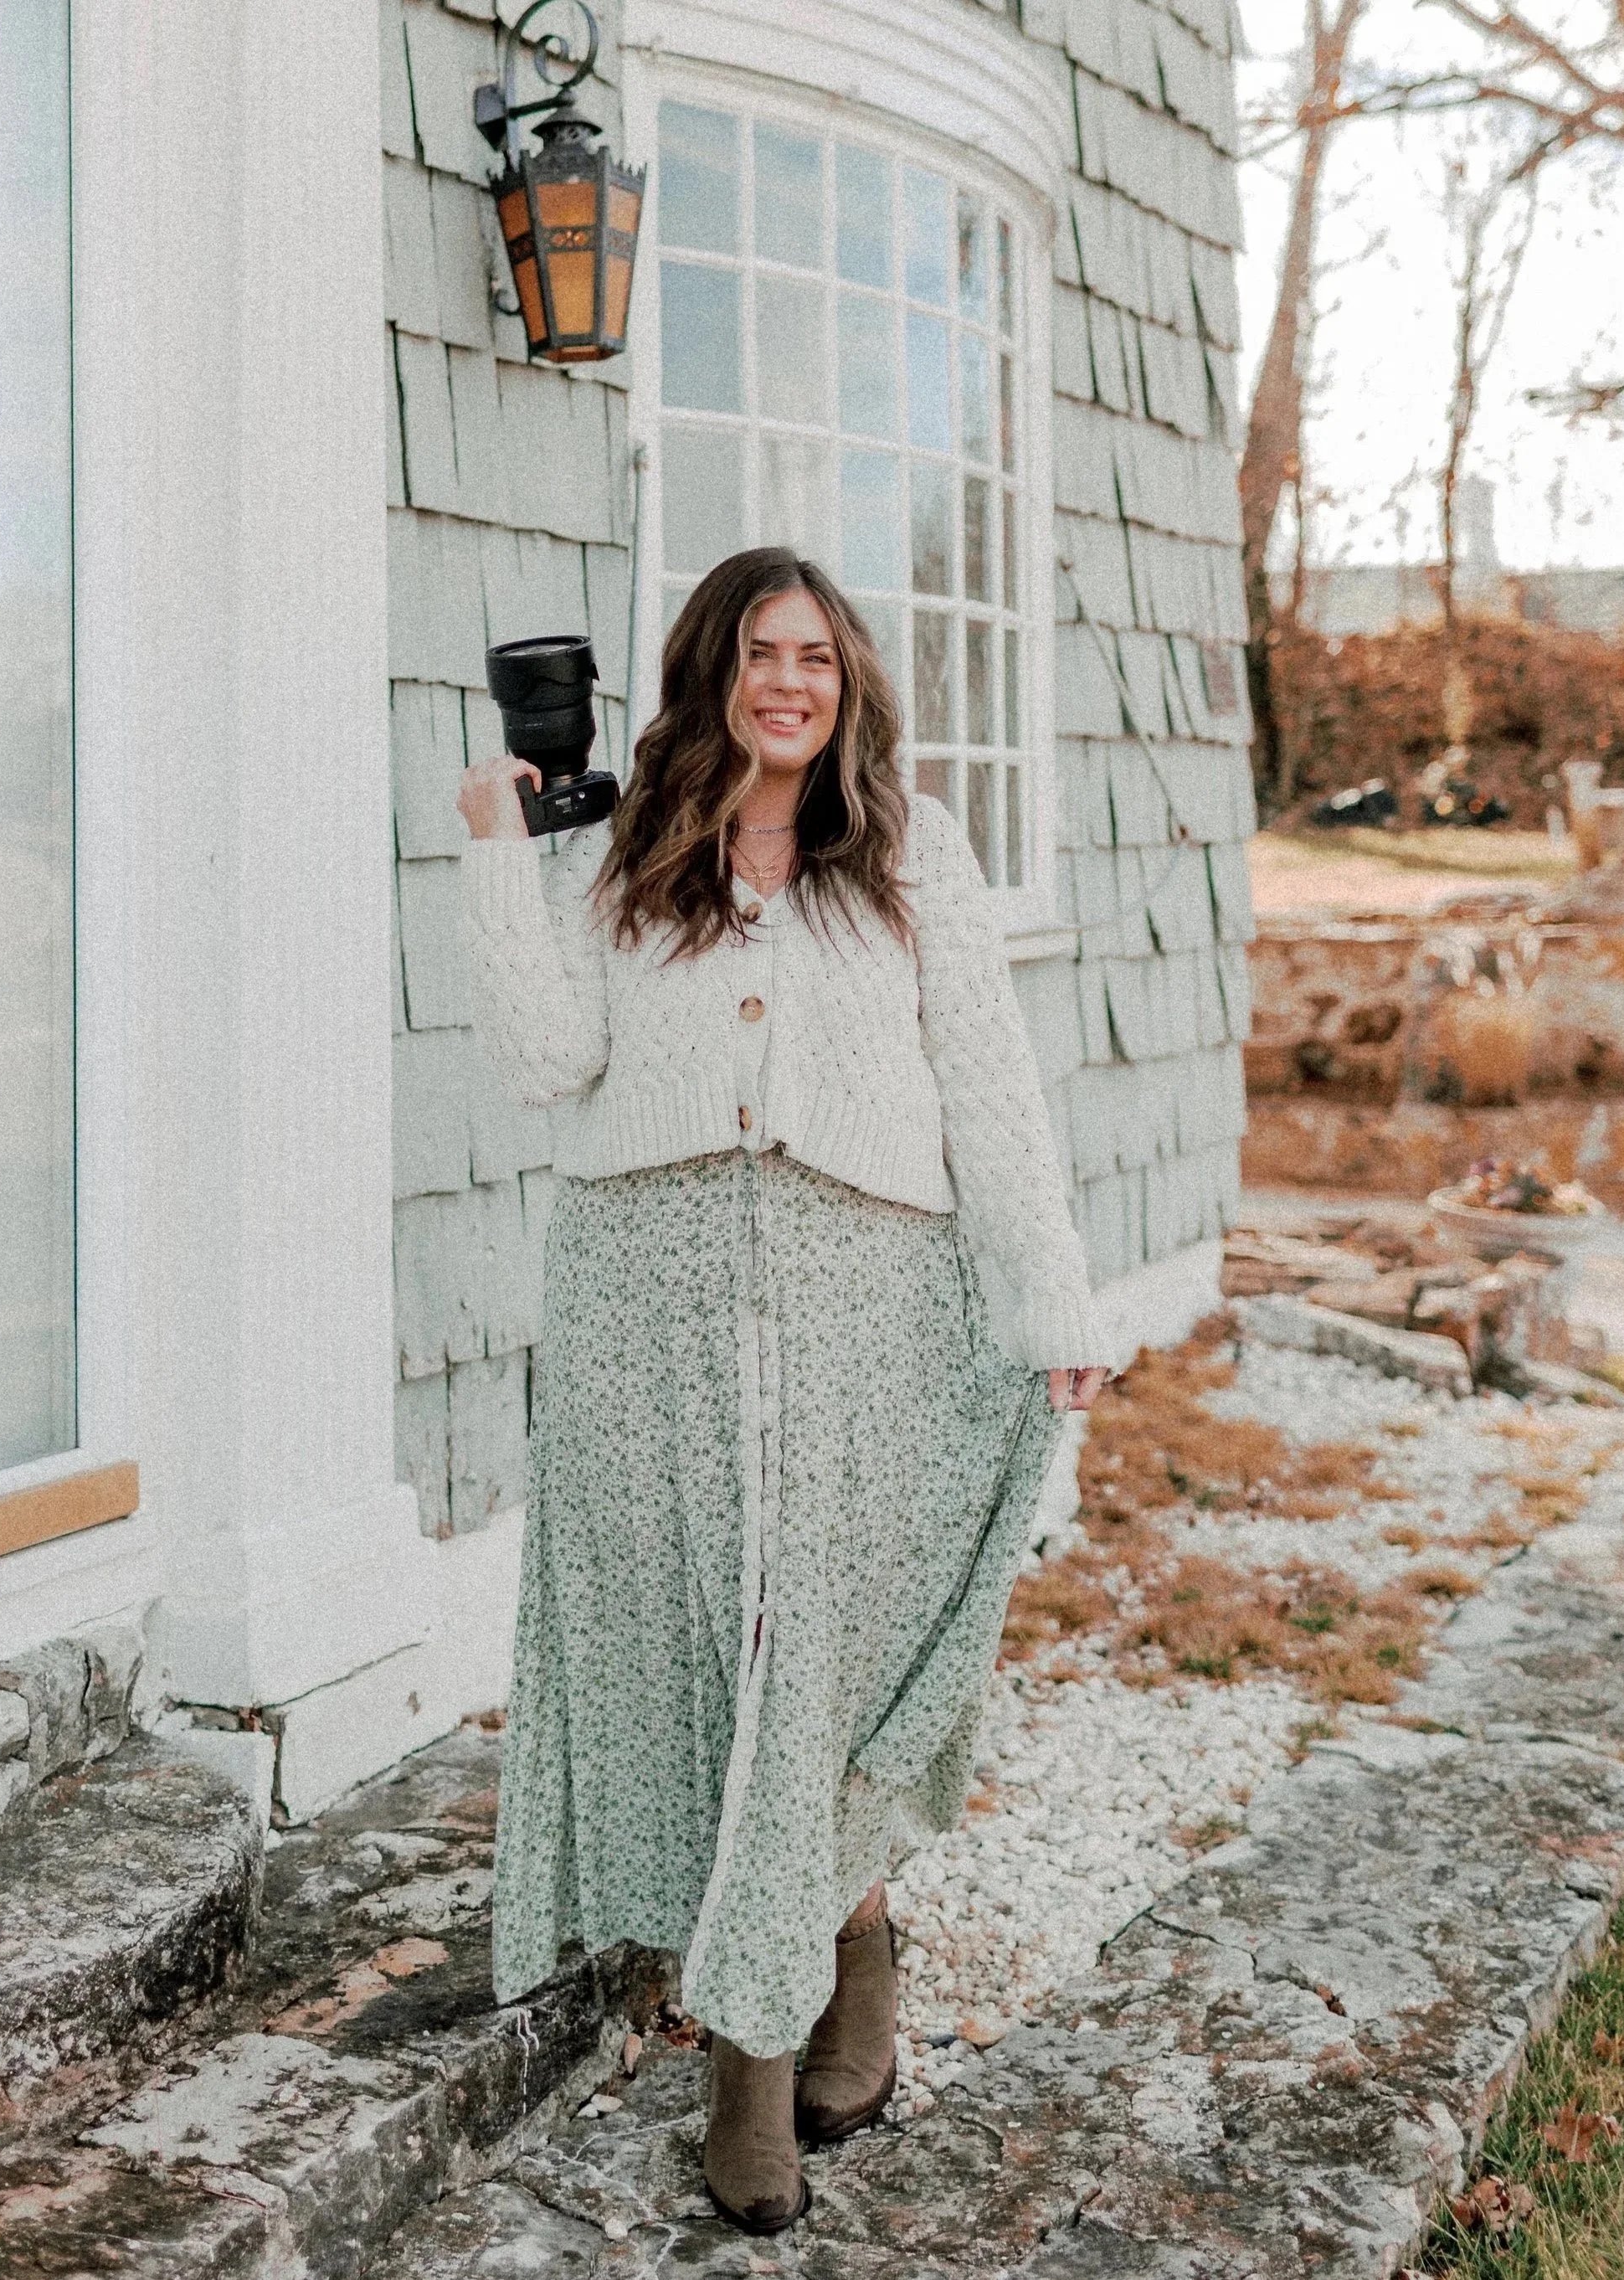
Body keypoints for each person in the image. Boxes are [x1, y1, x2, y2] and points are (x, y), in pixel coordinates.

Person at [456, 546, 1109, 2234]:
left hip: (859, 1306)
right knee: (704, 1667)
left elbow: (987, 1084)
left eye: (813, 653)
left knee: (812, 1650)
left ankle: (820, 1986)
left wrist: (1046, 1297)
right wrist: (495, 851)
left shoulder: (908, 850)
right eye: (757, 651)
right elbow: (547, 1064)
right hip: (643, 1310)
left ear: (849, 679)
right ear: (709, 672)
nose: (786, 680)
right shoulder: (624, 843)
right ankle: (779, 2027)